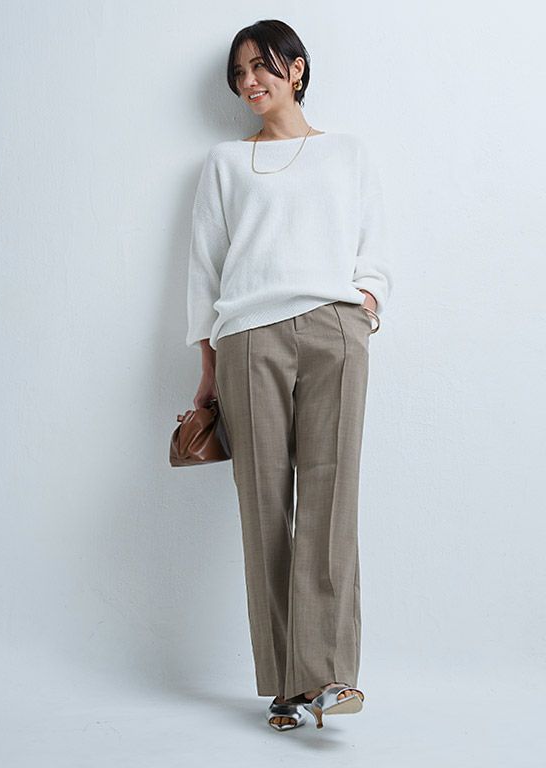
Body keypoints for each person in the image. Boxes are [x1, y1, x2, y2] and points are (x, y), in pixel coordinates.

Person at [185, 19, 393, 731]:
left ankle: (329, 674)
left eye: (262, 66)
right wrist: (208, 365)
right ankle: (285, 686)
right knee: (264, 506)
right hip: (248, 339)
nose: (250, 82)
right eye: (239, 72)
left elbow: (373, 245)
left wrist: (365, 306)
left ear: (296, 69)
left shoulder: (346, 152)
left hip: (335, 330)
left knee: (332, 503)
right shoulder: (224, 162)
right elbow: (204, 267)